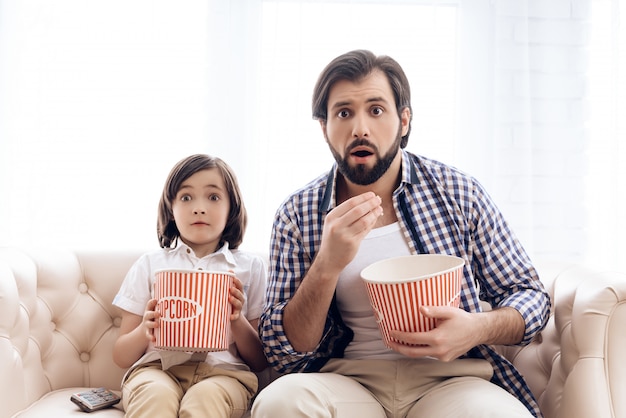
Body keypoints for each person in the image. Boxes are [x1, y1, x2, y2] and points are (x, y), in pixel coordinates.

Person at [252, 50, 551, 418]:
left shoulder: (458, 192)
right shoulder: (298, 214)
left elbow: (530, 296)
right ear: (324, 127)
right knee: (281, 401)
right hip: (347, 381)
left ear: (404, 120)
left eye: (376, 110)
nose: (360, 128)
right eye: (343, 113)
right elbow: (281, 350)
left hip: (452, 380)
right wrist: (326, 266)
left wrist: (476, 328)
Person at [112, 154, 268, 418]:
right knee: (155, 396)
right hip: (157, 370)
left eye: (213, 197)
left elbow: (259, 360)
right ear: (170, 209)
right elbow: (121, 356)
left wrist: (236, 319)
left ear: (232, 208)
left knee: (204, 400)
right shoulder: (150, 264)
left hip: (224, 375)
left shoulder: (250, 267)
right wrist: (144, 330)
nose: (199, 208)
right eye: (186, 198)